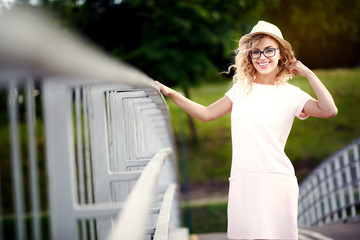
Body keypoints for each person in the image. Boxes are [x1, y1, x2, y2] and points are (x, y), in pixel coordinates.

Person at [156, 20, 337, 240]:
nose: (262, 57)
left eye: (269, 50)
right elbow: (205, 114)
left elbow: (329, 110)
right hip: (244, 180)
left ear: (281, 54)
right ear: (249, 57)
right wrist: (169, 92)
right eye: (256, 52)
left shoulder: (292, 94)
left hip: (276, 180)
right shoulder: (240, 90)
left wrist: (308, 73)